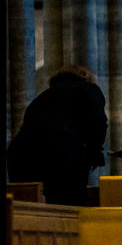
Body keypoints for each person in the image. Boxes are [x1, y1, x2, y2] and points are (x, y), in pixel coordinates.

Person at [6, 65, 109, 206]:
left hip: (21, 155)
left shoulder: (42, 97)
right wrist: (93, 154)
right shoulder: (88, 89)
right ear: (87, 77)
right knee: (68, 210)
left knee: (28, 210)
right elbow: (99, 123)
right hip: (60, 152)